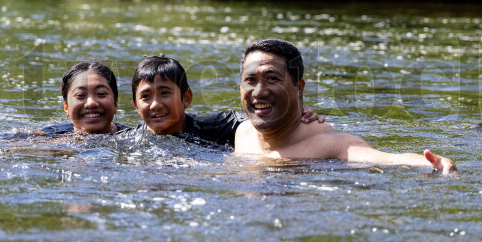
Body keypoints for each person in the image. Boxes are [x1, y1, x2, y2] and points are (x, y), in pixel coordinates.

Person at [234, 39, 457, 174]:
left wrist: (435, 164)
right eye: (250, 80)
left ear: (298, 87)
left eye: (272, 78)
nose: (259, 92)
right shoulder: (243, 132)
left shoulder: (329, 145)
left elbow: (386, 159)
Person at [42, 58, 324, 147]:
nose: (155, 105)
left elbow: (260, 123)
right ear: (134, 105)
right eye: (146, 97)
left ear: (186, 98)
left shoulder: (218, 126)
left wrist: (296, 113)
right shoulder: (127, 139)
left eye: (165, 93)